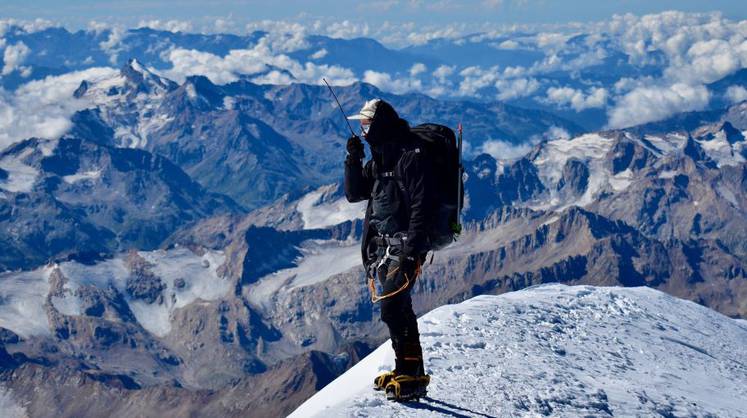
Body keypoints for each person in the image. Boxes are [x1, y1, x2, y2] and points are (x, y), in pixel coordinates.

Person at [344, 98, 433, 401]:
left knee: (392, 307)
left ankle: (412, 375)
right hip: (385, 247)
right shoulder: (381, 159)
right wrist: (353, 160)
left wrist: (412, 251)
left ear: (379, 125)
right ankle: (408, 370)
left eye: (366, 125)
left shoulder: (410, 157)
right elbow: (355, 193)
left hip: (404, 247)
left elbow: (422, 205)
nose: (363, 130)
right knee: (400, 308)